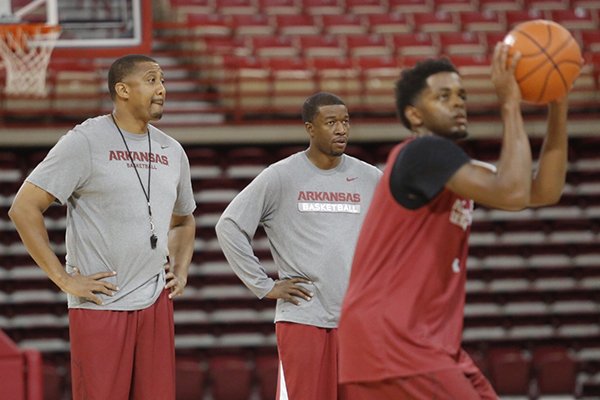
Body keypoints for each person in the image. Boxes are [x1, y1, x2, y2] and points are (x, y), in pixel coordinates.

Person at [338, 43, 572, 399]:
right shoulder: (424, 151)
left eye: (461, 95)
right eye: (443, 96)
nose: (458, 102)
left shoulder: (451, 169)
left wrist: (559, 105)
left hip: (415, 344)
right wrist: (509, 103)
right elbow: (511, 191)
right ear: (415, 116)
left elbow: (543, 190)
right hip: (395, 342)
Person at [8, 54, 196, 400]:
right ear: (122, 90)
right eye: (152, 80)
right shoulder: (85, 141)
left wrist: (180, 269)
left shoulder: (173, 150)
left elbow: (184, 220)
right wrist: (63, 278)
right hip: (101, 303)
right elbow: (23, 209)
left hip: (155, 300)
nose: (162, 90)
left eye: (163, 81)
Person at [215, 92, 382, 399]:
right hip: (304, 319)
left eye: (345, 121)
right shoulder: (281, 176)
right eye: (331, 122)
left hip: (359, 321)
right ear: (310, 128)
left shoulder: (371, 178)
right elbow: (229, 226)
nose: (341, 129)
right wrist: (263, 285)